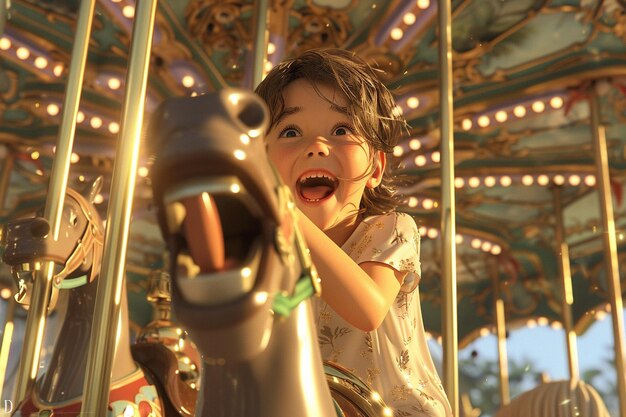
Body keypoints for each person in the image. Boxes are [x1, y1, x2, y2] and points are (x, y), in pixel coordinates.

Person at [255, 49, 453, 417]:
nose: (316, 147)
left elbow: (367, 309)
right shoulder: (274, 260)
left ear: (376, 168)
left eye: (341, 130)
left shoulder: (389, 229)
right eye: (290, 131)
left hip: (390, 409)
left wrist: (282, 212)